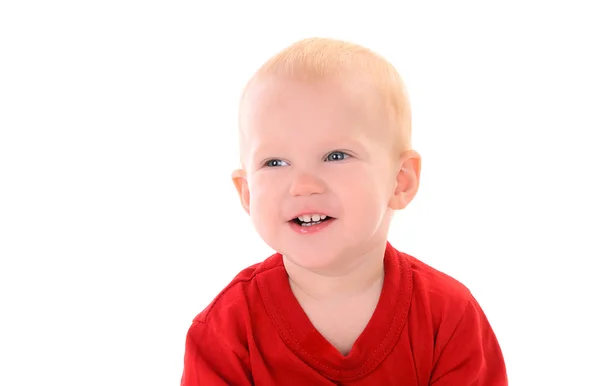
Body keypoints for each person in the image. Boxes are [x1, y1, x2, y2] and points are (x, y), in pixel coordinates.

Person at [181, 37, 507, 385]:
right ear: (246, 193)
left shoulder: (449, 317)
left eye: (335, 156)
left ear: (400, 181)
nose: (303, 184)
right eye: (274, 162)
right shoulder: (225, 331)